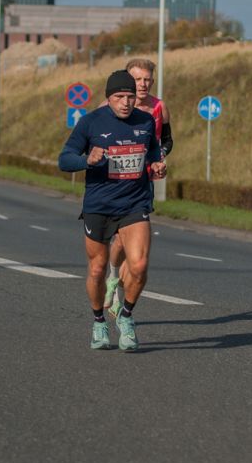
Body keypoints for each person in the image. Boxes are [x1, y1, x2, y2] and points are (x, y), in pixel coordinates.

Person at [59, 70, 167, 351]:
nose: (126, 102)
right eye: (120, 97)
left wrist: (157, 165)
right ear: (108, 98)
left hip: (135, 203)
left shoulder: (145, 121)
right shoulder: (90, 122)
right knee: (97, 269)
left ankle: (127, 316)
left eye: (131, 97)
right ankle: (98, 322)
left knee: (140, 265)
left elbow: (153, 151)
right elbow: (64, 159)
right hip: (99, 205)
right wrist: (87, 159)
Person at [103, 58, 174, 318]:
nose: (143, 85)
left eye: (147, 80)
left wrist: (159, 157)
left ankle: (118, 284)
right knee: (119, 238)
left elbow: (167, 140)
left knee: (130, 239)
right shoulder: (107, 107)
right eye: (137, 79)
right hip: (114, 182)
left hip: (142, 182)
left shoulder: (159, 107)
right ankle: (112, 277)